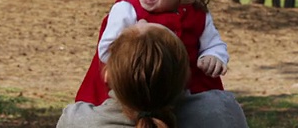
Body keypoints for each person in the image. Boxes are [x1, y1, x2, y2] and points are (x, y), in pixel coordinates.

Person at [75, 0, 229, 105]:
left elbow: (214, 44)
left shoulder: (198, 15)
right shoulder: (127, 10)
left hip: (186, 91)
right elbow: (106, 51)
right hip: (133, 88)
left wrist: (213, 56)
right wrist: (136, 43)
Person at [57, 21, 248, 128]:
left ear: (107, 75)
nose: (141, 20)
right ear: (187, 75)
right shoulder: (222, 112)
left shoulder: (76, 121)